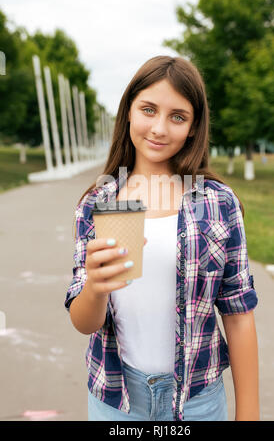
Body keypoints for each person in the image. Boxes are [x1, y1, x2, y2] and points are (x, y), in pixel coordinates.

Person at [64, 55, 259, 422]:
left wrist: (249, 415)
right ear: (128, 112)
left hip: (199, 399)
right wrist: (95, 286)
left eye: (177, 116)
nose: (159, 128)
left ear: (192, 127)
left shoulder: (217, 203)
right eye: (148, 109)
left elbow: (238, 315)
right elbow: (84, 322)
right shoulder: (97, 203)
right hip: (115, 399)